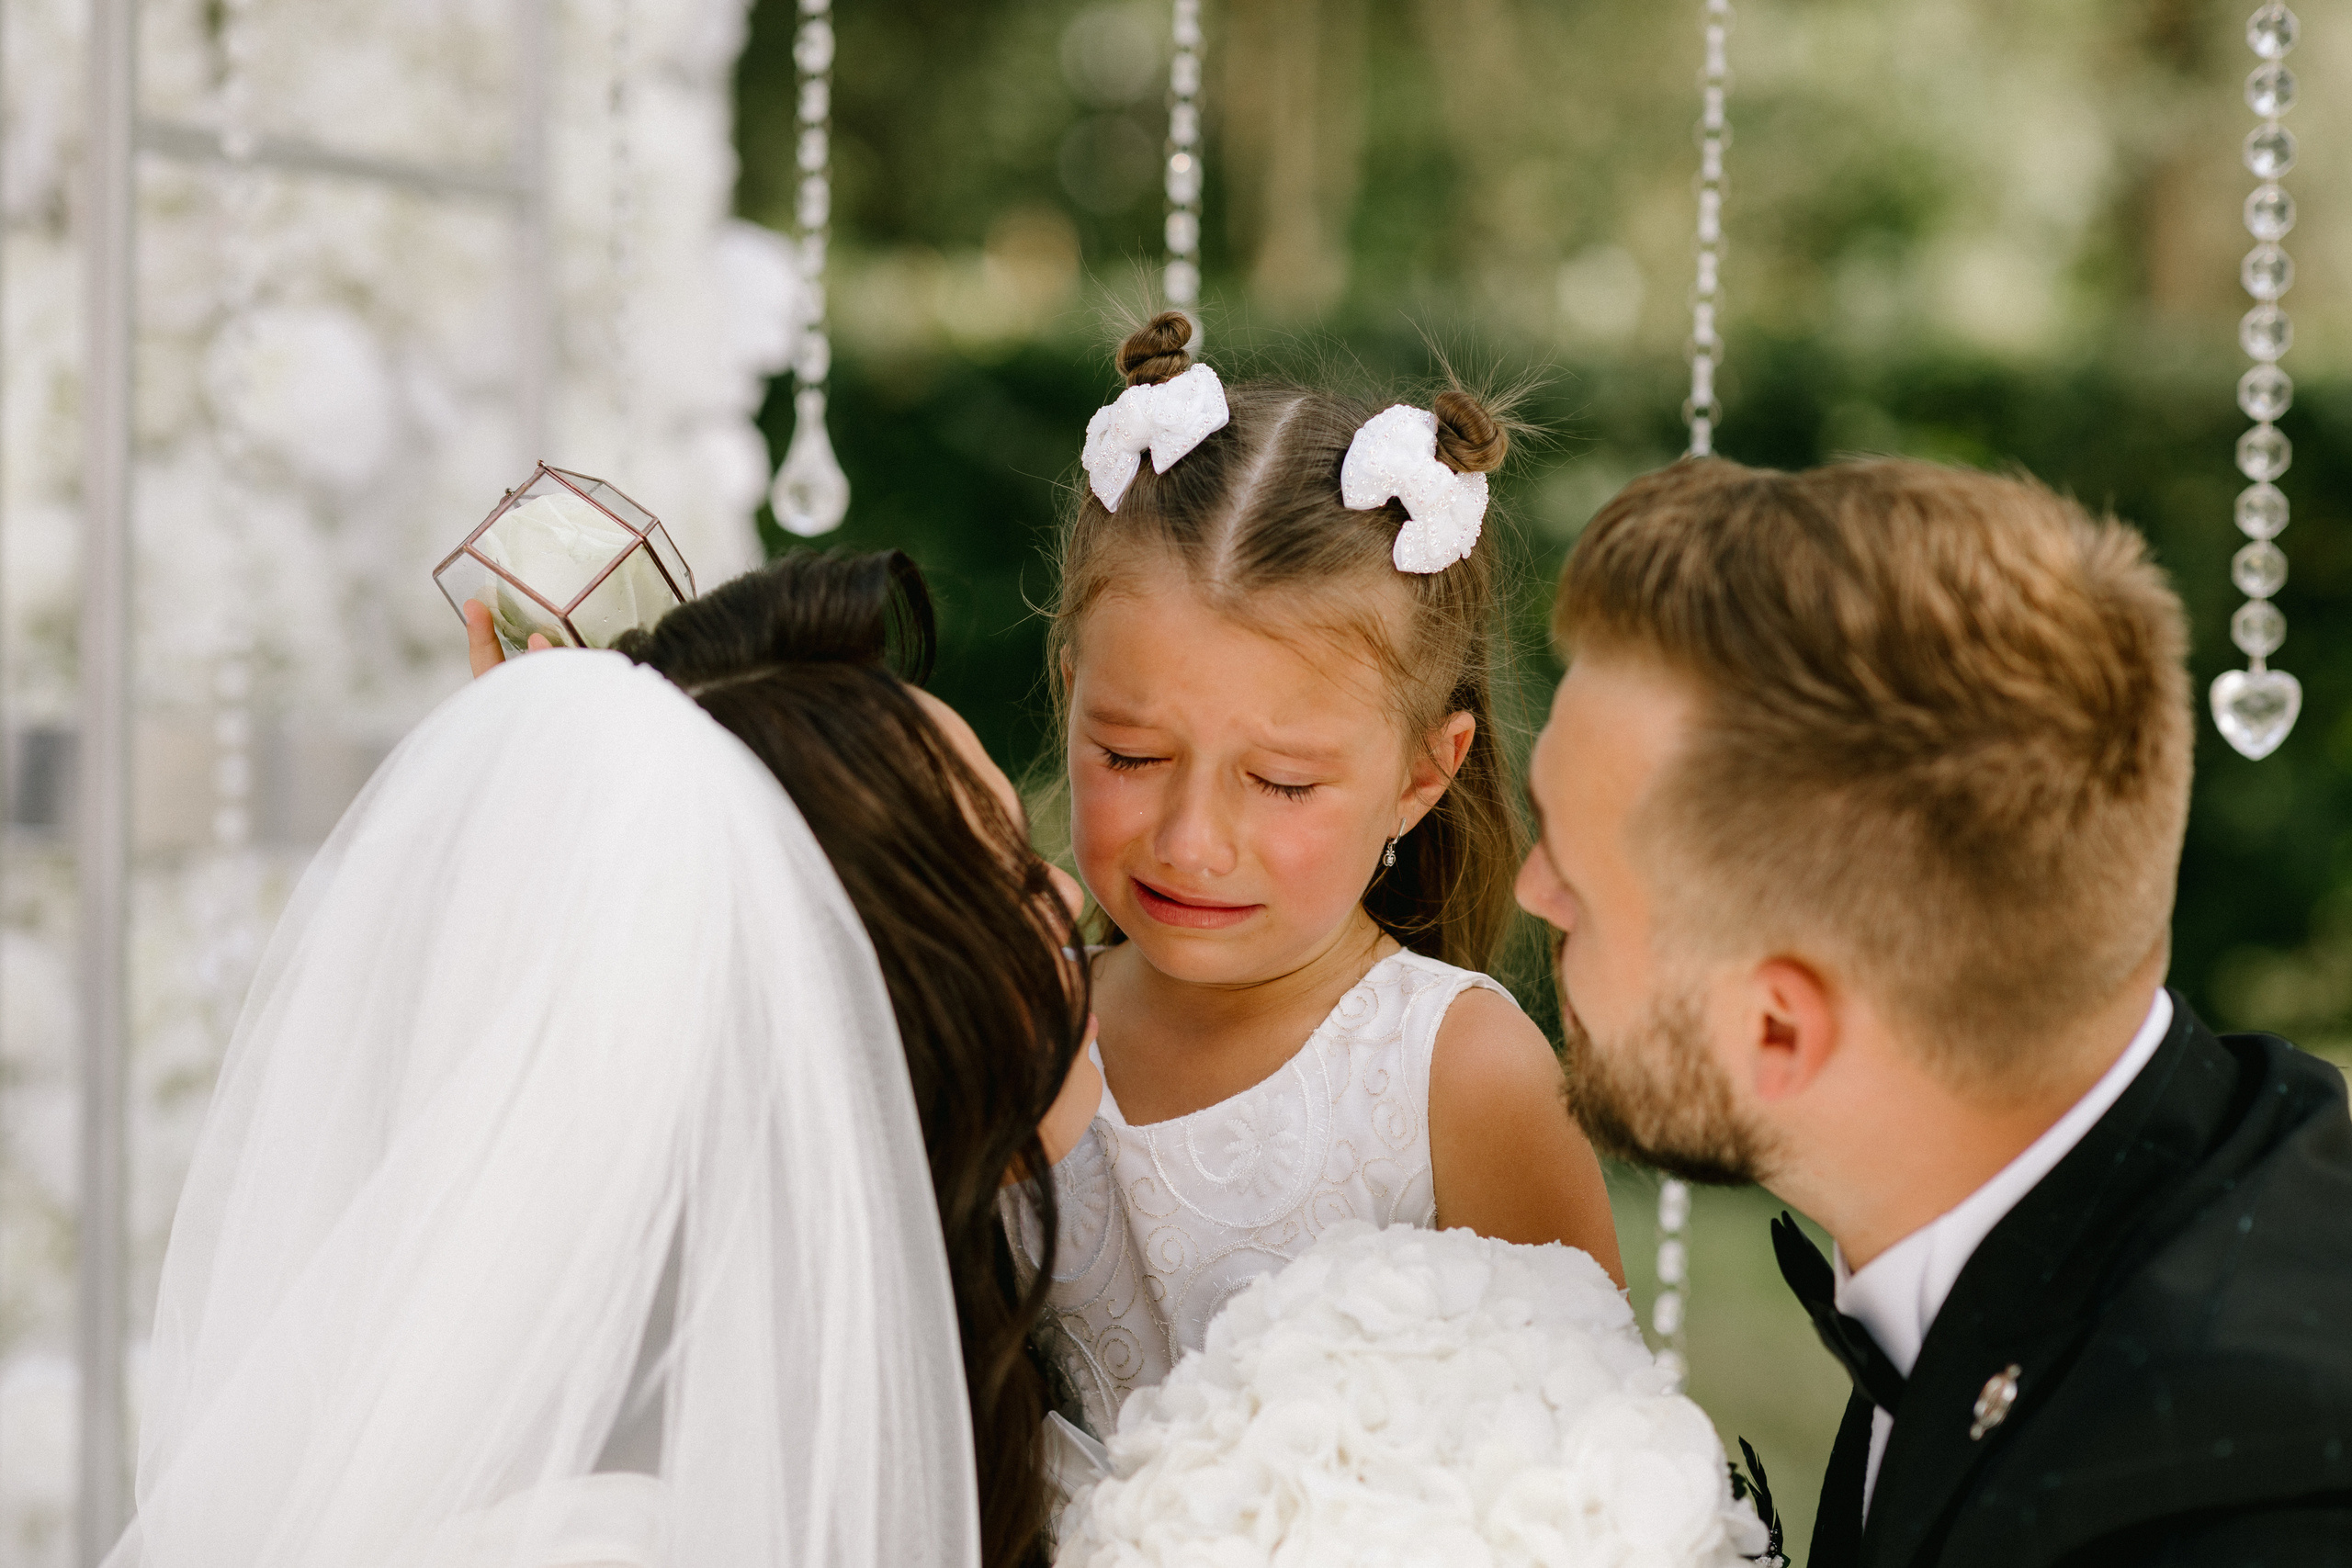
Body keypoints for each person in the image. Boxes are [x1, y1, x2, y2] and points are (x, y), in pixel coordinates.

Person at [119, 552, 1099, 1568]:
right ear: (873, 1004)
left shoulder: (931, 1352)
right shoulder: (609, 1541)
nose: (1072, 900)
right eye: (1014, 876)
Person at [1516, 457, 2352, 1567]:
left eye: (1576, 879)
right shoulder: (2088, 1191)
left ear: (1776, 1030)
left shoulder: (2236, 1506)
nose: (1532, 891)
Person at [1015, 312, 1621, 1440]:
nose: (1191, 839)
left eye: (1284, 783)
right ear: (1070, 697)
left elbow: (1581, 1476)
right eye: (1132, 757)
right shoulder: (1017, 1026)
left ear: (1420, 776)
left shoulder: (1461, 1078)